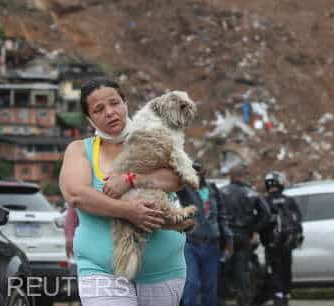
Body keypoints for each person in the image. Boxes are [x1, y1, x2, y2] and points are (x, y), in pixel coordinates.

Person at [59, 77, 189, 306]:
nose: (110, 112)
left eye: (114, 103)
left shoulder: (155, 139)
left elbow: (178, 178)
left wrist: (131, 179)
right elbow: (76, 193)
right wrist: (128, 211)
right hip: (103, 271)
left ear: (125, 103)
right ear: (90, 119)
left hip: (163, 271)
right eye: (99, 109)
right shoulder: (80, 150)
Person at [176, 161, 233, 306]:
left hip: (212, 245)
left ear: (204, 173)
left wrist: (229, 240)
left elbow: (222, 215)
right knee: (192, 284)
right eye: (192, 170)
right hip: (191, 244)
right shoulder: (184, 190)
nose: (195, 173)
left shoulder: (213, 190)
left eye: (198, 170)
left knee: (210, 287)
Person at [220, 163, 273, 306]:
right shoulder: (251, 193)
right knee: (242, 271)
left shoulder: (221, 192)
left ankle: (221, 299)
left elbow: (214, 214)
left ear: (230, 176)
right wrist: (255, 229)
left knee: (223, 269)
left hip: (226, 238)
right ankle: (243, 300)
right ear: (244, 175)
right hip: (244, 236)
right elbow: (267, 214)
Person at [261, 171, 303, 306]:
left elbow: (261, 222)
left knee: (274, 269)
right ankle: (286, 294)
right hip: (287, 243)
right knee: (286, 268)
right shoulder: (289, 200)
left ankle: (278, 294)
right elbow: (298, 222)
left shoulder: (264, 201)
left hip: (271, 243)